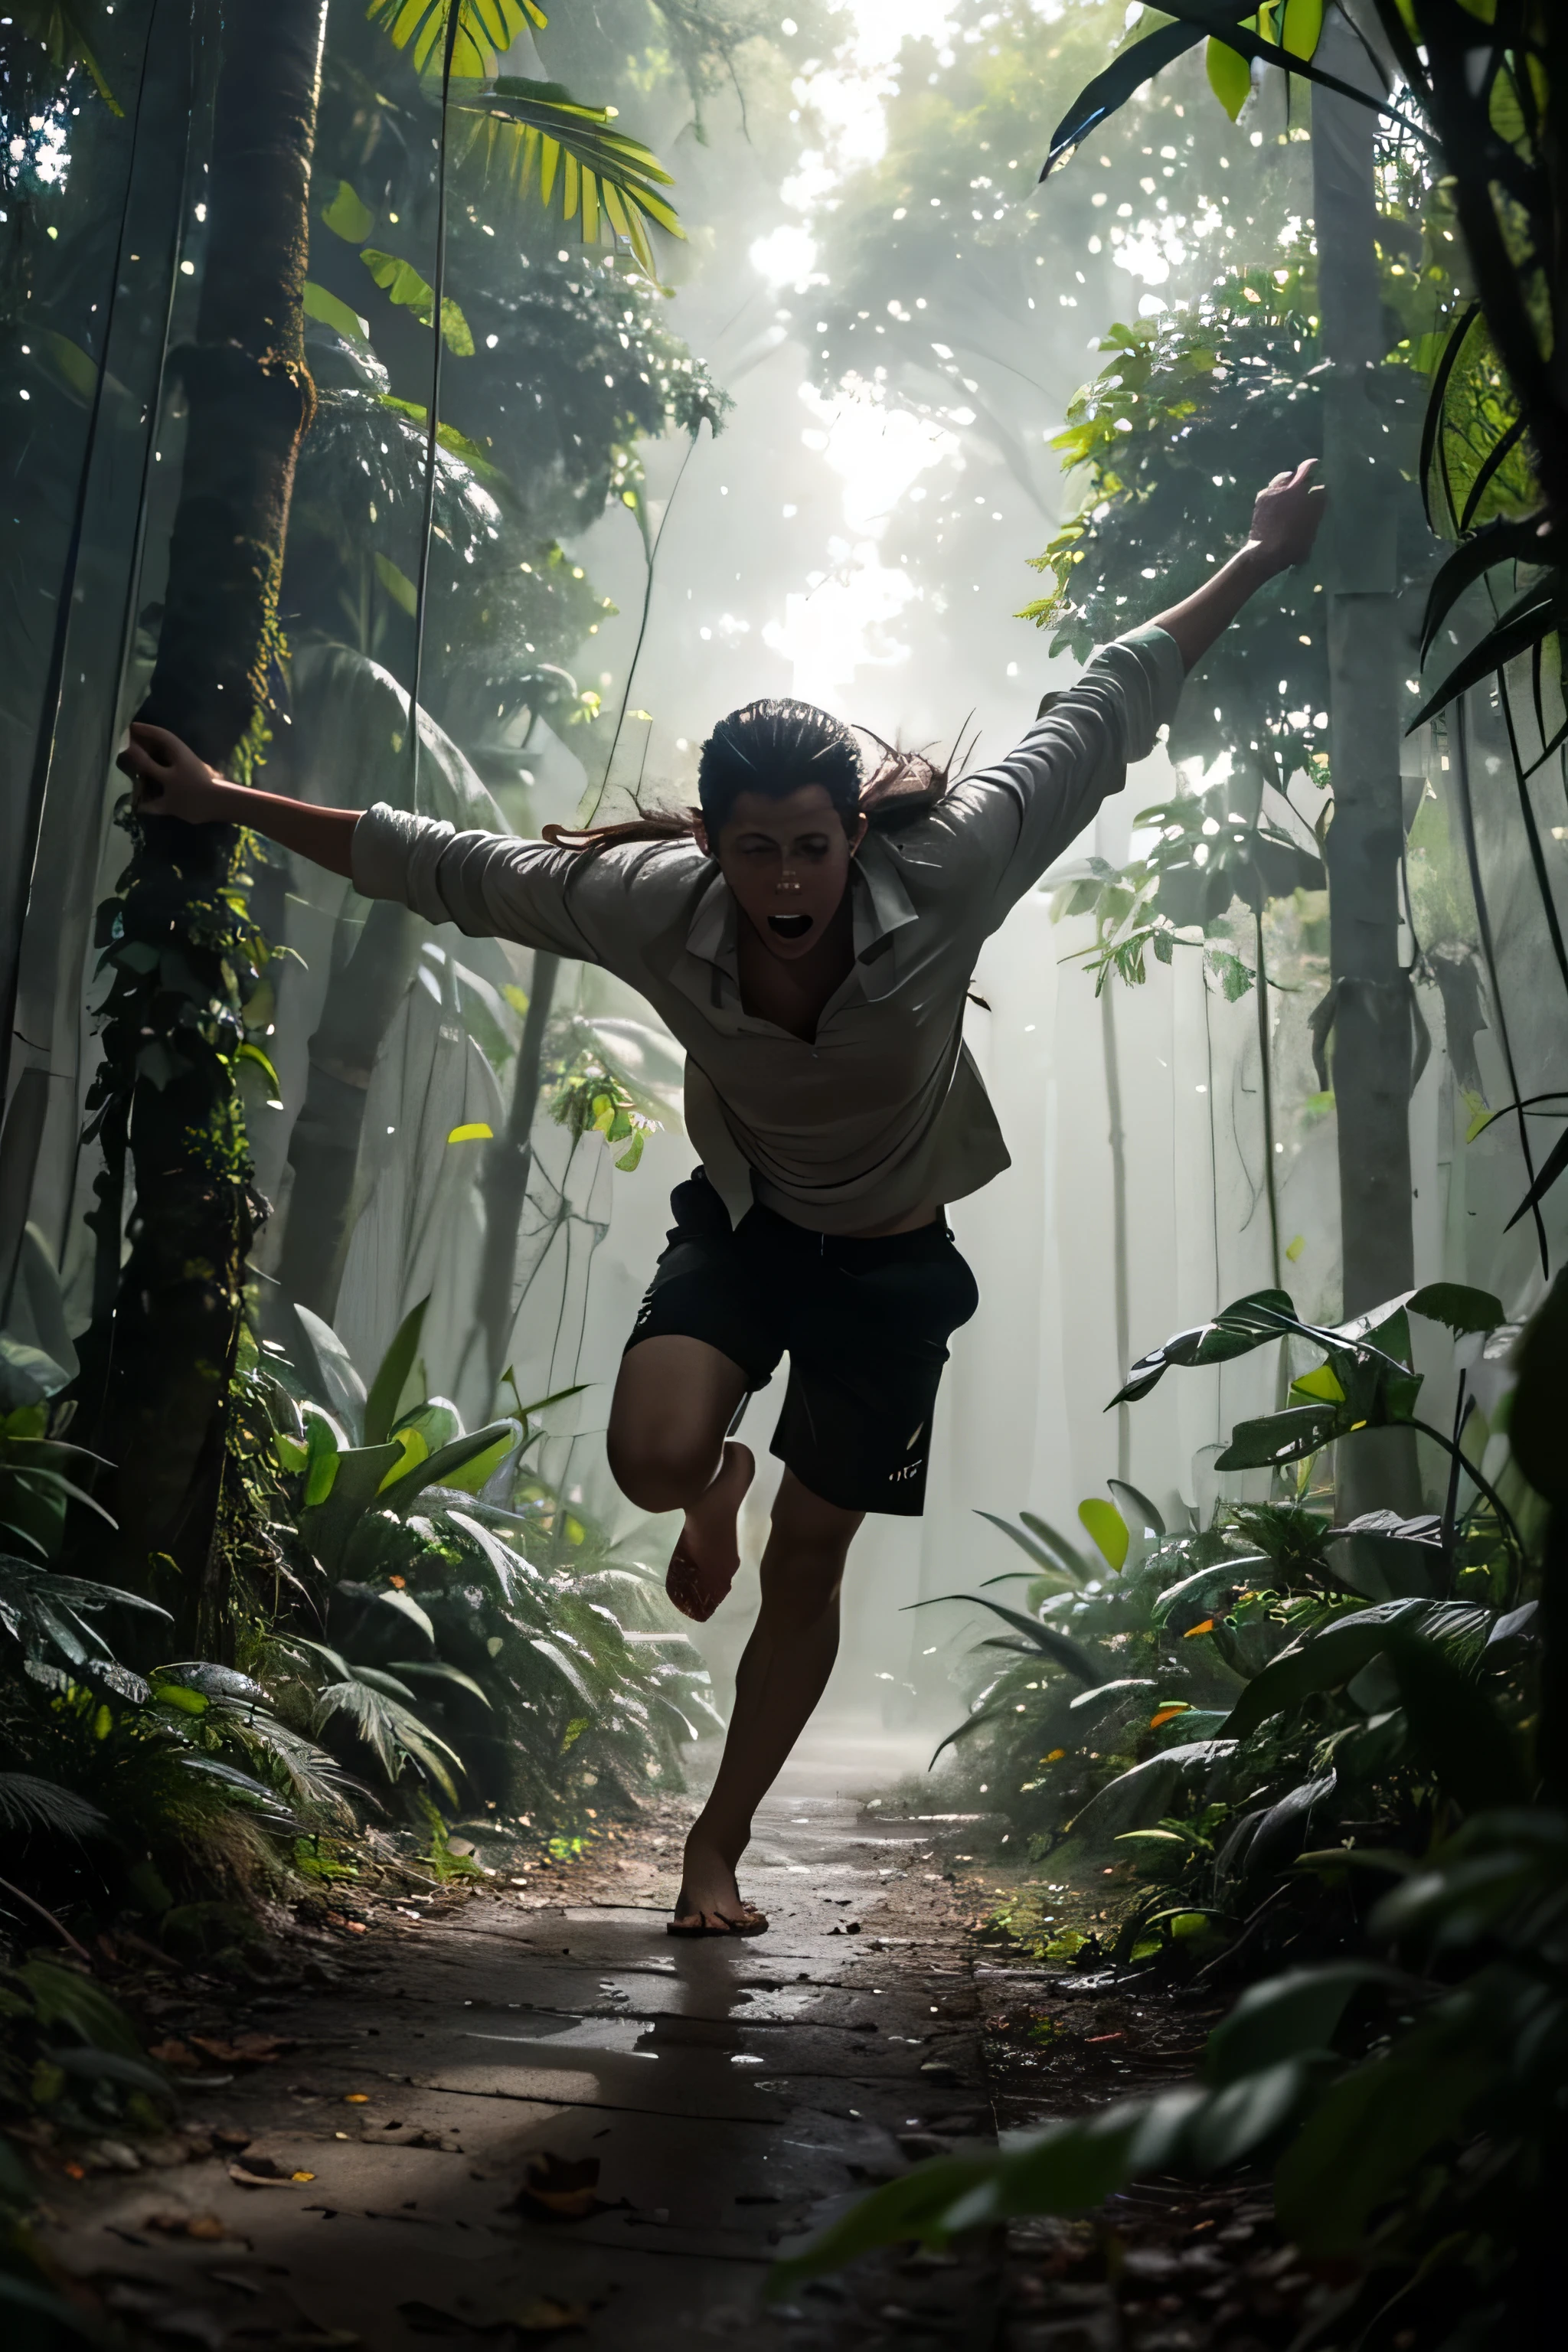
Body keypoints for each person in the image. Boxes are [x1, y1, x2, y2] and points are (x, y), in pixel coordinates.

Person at [119, 459, 1325, 1936]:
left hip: (890, 1267)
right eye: (754, 851)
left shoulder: (953, 866)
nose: (787, 881)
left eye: (812, 846)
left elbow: (1106, 702)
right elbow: (447, 867)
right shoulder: (655, 908)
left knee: (807, 1570)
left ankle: (718, 1847)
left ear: (855, 834)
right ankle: (711, 1493)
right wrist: (223, 798)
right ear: (709, 846)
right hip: (750, 1235)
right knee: (651, 1459)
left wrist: (1257, 558)